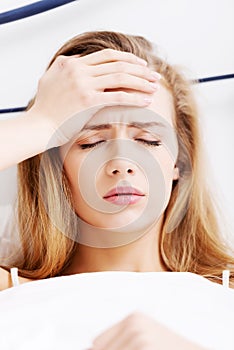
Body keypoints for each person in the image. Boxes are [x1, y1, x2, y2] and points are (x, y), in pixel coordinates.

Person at [0, 30, 233, 349]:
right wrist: (40, 123)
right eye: (91, 142)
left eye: (148, 140)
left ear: (179, 161)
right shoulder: (10, 293)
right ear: (56, 169)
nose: (123, 163)